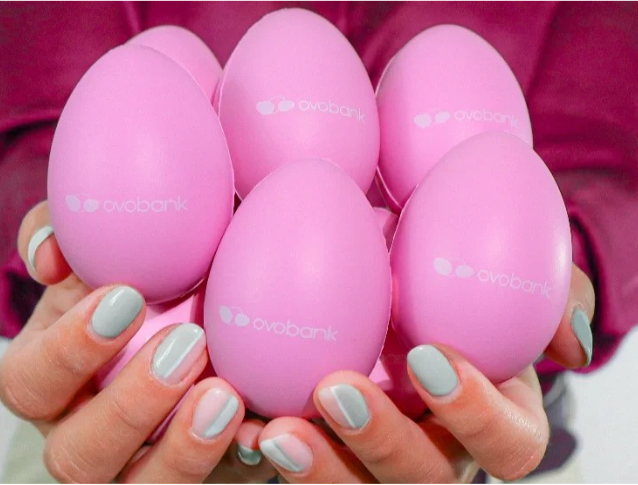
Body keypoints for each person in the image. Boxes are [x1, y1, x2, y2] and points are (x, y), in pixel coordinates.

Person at [0, 2, 635, 483]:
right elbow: (42, 102)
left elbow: (607, 142)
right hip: (118, 425)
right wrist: (54, 243)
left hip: (473, 433)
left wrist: (553, 267)